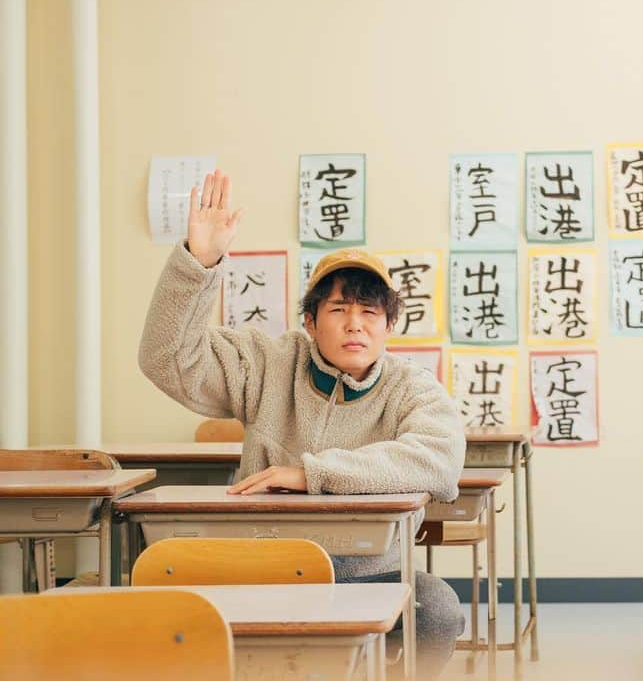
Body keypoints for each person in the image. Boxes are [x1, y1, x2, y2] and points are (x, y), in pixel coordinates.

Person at [138, 170, 466, 678]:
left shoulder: (412, 387)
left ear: (389, 326)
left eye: (369, 312)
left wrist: (311, 473)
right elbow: (165, 358)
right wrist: (197, 264)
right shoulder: (268, 363)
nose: (355, 323)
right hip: (260, 565)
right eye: (338, 309)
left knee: (438, 609)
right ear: (310, 322)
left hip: (370, 573)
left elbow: (438, 459)